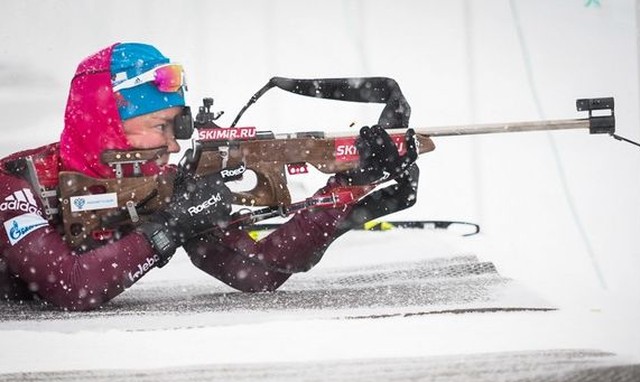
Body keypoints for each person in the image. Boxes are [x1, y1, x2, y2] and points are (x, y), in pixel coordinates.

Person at [0, 42, 419, 311]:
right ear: (104, 123)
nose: (173, 145)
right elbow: (71, 284)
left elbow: (256, 272)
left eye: (176, 128)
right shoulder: (16, 182)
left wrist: (348, 193)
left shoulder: (158, 186)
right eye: (160, 126)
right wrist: (166, 230)